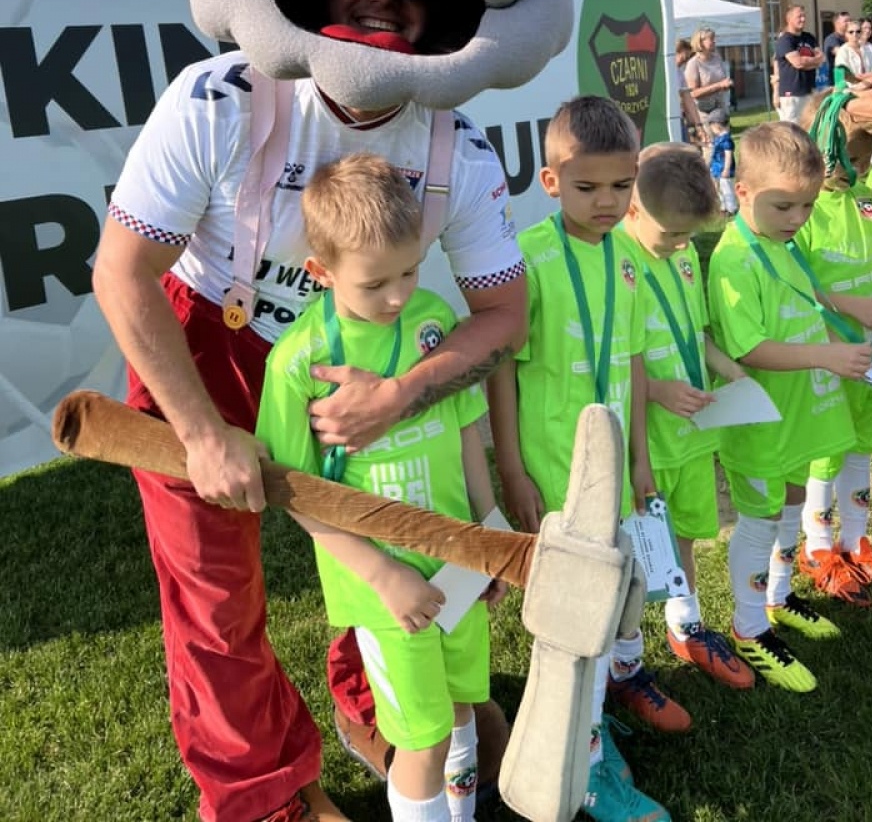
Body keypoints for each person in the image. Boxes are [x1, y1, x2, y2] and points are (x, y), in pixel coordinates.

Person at [90, 0, 583, 822]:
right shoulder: (217, 98)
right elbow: (124, 270)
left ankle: (384, 711)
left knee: (395, 547)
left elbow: (503, 311)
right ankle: (260, 795)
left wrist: (405, 393)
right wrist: (206, 432)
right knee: (216, 596)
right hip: (208, 340)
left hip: (366, 358)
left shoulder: (455, 152)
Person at [256, 154, 505, 822]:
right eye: (375, 284)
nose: (397, 295)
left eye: (409, 270)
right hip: (382, 590)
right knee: (418, 739)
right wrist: (383, 573)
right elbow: (292, 488)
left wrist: (490, 533)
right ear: (321, 271)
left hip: (455, 563)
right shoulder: (299, 360)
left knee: (459, 710)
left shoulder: (431, 321)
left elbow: (461, 428)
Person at [488, 95, 674, 822]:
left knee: (605, 605)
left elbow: (628, 362)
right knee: (572, 615)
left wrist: (639, 460)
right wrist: (510, 465)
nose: (606, 202)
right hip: (552, 469)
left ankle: (591, 727)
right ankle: (584, 769)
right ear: (550, 180)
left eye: (621, 187)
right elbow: (503, 366)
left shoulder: (628, 260)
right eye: (588, 186)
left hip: (610, 475)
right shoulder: (527, 260)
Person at [707, 122, 870, 692]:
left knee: (794, 499)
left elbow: (808, 294)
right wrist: (826, 356)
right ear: (742, 192)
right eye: (784, 205)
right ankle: (748, 629)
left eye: (805, 204)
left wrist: (849, 308)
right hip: (757, 420)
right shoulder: (733, 262)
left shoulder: (783, 240)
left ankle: (777, 596)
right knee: (756, 517)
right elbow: (750, 348)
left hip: (799, 412)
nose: (798, 218)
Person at [619, 144, 754, 691]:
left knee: (688, 536)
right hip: (647, 440)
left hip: (694, 433)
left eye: (687, 238)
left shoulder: (680, 259)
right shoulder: (619, 267)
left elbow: (694, 335)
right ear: (632, 209)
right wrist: (656, 391)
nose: (680, 246)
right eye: (671, 235)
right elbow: (614, 362)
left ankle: (685, 625)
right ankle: (626, 660)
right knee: (635, 551)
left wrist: (732, 371)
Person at [793, 96, 872, 604]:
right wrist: (850, 305)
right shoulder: (803, 209)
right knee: (826, 454)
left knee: (863, 443)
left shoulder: (863, 197)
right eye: (846, 157)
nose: (855, 170)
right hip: (830, 356)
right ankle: (817, 547)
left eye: (863, 161)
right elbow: (795, 283)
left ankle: (856, 539)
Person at [773, 5, 825, 122]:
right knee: (792, 130)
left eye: (804, 16)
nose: (803, 19)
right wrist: (812, 62)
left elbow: (821, 58)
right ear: (789, 19)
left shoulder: (809, 37)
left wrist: (806, 62)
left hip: (810, 91)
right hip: (792, 94)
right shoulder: (785, 40)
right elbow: (798, 63)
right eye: (799, 16)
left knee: (811, 127)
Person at [683, 28, 732, 123]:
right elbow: (693, 93)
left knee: (724, 137)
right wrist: (719, 85)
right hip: (704, 113)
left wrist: (727, 85)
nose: (714, 41)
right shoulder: (693, 63)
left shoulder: (717, 58)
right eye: (711, 39)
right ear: (700, 42)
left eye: (714, 38)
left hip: (721, 109)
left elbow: (722, 80)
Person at [674, 36, 710, 147]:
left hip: (678, 118)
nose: (687, 59)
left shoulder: (679, 72)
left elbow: (687, 98)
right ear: (677, 51)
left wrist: (698, 125)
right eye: (685, 55)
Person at [707, 119, 737, 215]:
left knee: (727, 188)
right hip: (717, 169)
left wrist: (726, 169)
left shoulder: (726, 140)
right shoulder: (719, 138)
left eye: (711, 127)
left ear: (717, 126)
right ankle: (723, 207)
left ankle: (731, 208)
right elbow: (714, 150)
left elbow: (728, 155)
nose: (711, 130)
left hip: (723, 169)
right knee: (719, 189)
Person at [823, 11, 850, 85]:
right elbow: (841, 54)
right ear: (837, 23)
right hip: (837, 81)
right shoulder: (832, 39)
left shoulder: (849, 38)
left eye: (850, 20)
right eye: (846, 21)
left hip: (850, 80)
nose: (849, 23)